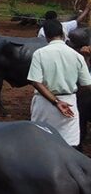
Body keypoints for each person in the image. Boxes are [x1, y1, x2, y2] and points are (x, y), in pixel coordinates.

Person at [27, 19, 91, 149]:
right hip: (69, 103)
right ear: (62, 33)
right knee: (70, 144)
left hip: (44, 103)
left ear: (46, 35)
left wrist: (56, 101)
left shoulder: (39, 53)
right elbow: (87, 84)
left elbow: (35, 81)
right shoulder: (76, 55)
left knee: (41, 143)